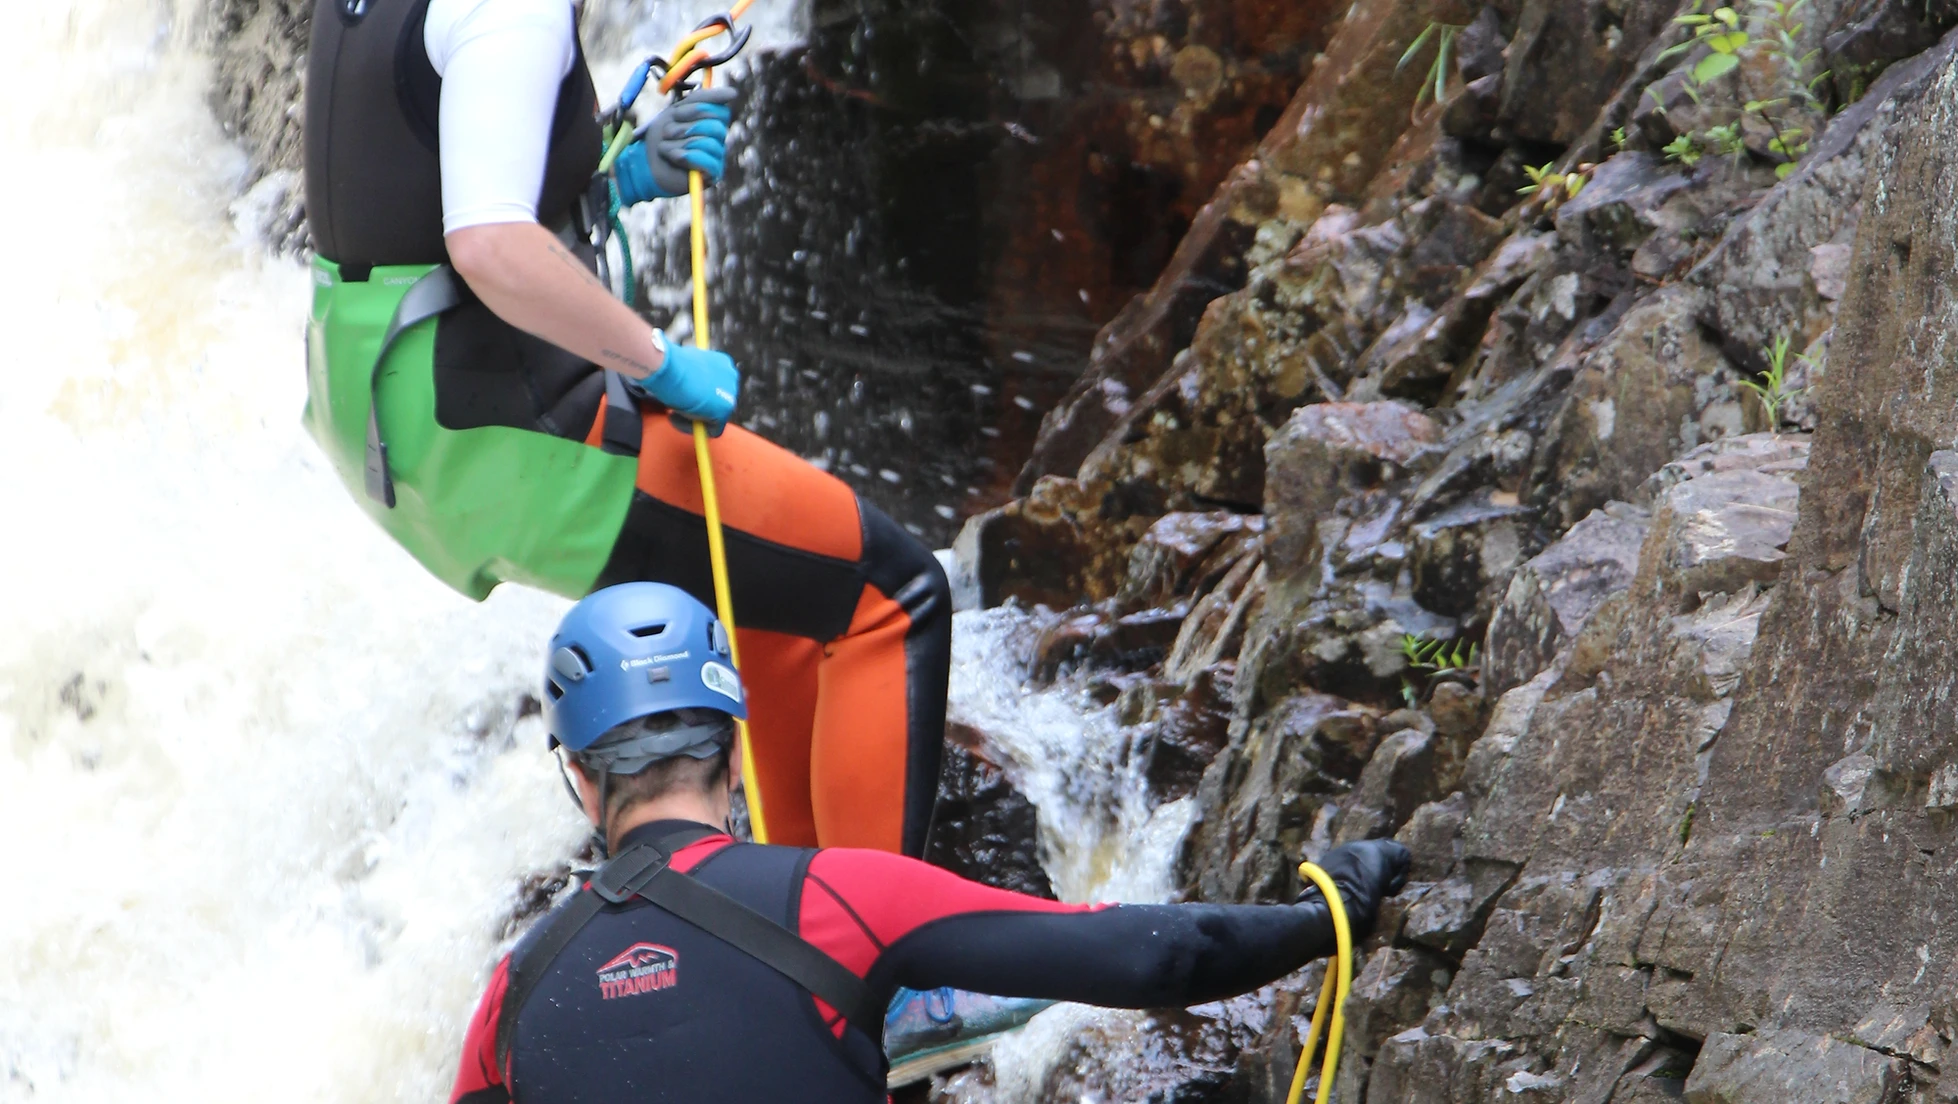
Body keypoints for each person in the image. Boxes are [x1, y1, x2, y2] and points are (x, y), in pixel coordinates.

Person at [300, 0, 950, 858]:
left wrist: (622, 175)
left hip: (391, 423)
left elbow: (417, 178)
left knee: (789, 603)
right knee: (889, 595)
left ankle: (800, 929)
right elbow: (490, 243)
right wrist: (660, 364)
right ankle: (877, 959)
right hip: (494, 427)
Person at [447, 583, 1411, 1103]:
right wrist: (1328, 911)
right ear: (736, 754)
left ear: (577, 776)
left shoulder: (515, 991)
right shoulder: (838, 899)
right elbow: (1159, 955)